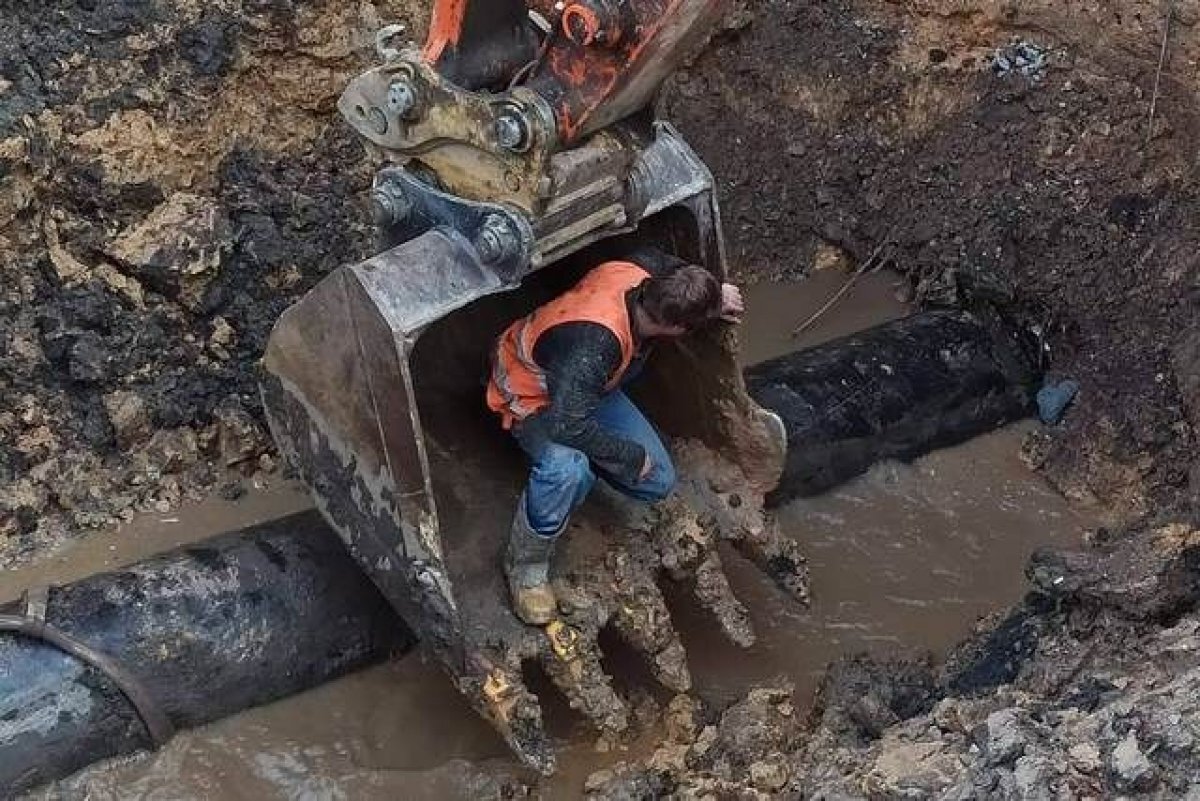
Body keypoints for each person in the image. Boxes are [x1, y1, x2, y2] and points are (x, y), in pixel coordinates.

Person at [485, 247, 745, 624]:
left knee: (658, 483)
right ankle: (526, 568)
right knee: (569, 469)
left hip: (584, 390)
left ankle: (584, 471)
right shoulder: (595, 347)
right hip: (533, 396)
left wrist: (714, 296)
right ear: (675, 329)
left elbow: (676, 269)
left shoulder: (640, 271)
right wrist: (629, 456)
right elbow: (566, 425)